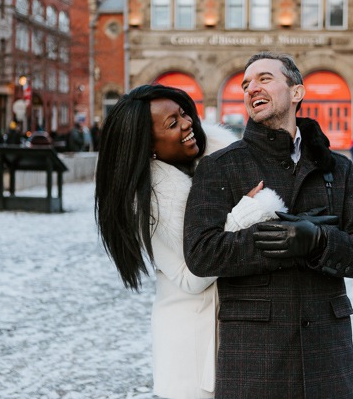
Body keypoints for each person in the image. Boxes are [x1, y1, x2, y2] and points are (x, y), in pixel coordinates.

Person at [184, 52, 353, 399]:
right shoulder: (219, 167)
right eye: (245, 84)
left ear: (296, 92)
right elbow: (201, 254)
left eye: (264, 79)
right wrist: (276, 242)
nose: (251, 89)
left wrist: (321, 242)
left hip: (329, 357)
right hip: (255, 357)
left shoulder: (336, 168)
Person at [95, 85, 286, 399]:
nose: (186, 123)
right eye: (172, 124)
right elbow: (191, 276)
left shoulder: (220, 159)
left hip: (237, 334)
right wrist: (245, 216)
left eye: (183, 113)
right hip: (193, 348)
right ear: (149, 147)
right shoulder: (153, 201)